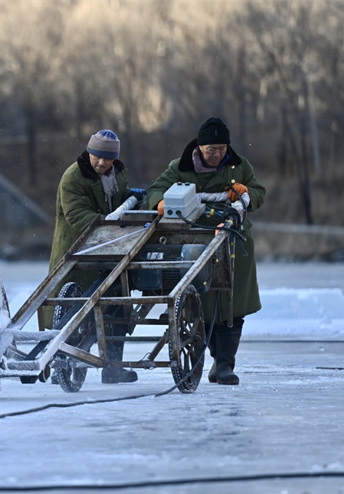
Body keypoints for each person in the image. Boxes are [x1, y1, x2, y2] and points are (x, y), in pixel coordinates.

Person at [146, 117, 266, 385]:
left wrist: (247, 193)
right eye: (211, 149)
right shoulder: (180, 168)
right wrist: (160, 202)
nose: (217, 154)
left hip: (234, 240)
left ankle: (224, 365)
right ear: (200, 147)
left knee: (233, 306)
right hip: (195, 240)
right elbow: (154, 189)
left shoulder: (239, 165)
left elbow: (258, 192)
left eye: (222, 148)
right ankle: (208, 357)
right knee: (204, 303)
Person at [46, 129, 145, 384]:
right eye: (96, 156)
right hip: (78, 252)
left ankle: (113, 367)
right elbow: (78, 216)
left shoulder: (118, 174)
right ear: (89, 152)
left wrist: (131, 199)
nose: (101, 162)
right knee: (75, 310)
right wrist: (112, 226)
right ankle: (62, 363)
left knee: (117, 307)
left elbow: (115, 203)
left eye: (107, 158)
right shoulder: (73, 177)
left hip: (110, 251)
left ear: (114, 159)